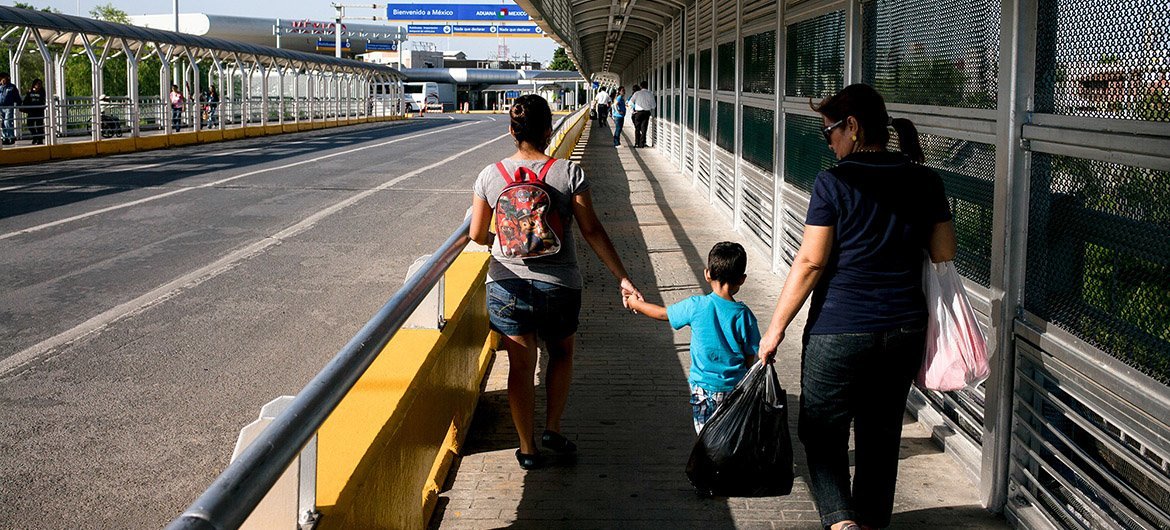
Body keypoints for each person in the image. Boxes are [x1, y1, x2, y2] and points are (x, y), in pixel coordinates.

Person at [757, 83, 957, 530]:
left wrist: (775, 330)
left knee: (821, 432)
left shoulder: (835, 181)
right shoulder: (926, 179)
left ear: (852, 126)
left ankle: (841, 521)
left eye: (829, 132)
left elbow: (810, 262)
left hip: (840, 327)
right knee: (881, 436)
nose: (828, 142)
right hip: (905, 326)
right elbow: (944, 252)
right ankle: (867, 523)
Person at [469, 94, 644, 470]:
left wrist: (499, 239)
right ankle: (552, 428)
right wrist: (624, 277)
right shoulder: (569, 173)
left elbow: (476, 233)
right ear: (550, 131)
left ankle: (527, 448)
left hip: (506, 283)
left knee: (520, 364)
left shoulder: (489, 175)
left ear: (511, 131)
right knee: (561, 353)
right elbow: (592, 230)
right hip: (560, 285)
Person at [625, 241, 760, 433]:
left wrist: (635, 304)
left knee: (706, 440)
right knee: (730, 436)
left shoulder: (696, 305)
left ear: (707, 274)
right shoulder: (744, 315)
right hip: (734, 389)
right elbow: (751, 355)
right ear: (742, 279)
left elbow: (663, 313)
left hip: (702, 389)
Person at [629, 81, 656, 148]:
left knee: (637, 128)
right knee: (644, 128)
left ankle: (636, 143)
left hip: (638, 113)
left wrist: (633, 110)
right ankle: (642, 143)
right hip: (646, 113)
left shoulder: (637, 93)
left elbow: (630, 102)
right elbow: (653, 106)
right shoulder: (650, 94)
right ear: (647, 86)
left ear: (641, 86)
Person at [21, 79, 45, 145]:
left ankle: (40, 139)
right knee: (30, 125)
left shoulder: (42, 92)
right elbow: (26, 100)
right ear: (34, 84)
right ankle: (35, 136)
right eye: (38, 84)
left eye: (40, 84)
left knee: (39, 126)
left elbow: (43, 100)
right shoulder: (30, 92)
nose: (39, 85)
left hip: (39, 111)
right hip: (31, 111)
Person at [0, 72, 22, 146]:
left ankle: (11, 136)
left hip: (9, 106)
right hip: (1, 107)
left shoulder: (11, 87)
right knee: (2, 122)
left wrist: (19, 102)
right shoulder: (0, 87)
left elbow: (16, 96)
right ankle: (5, 137)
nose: (3, 80)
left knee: (7, 121)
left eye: (5, 78)